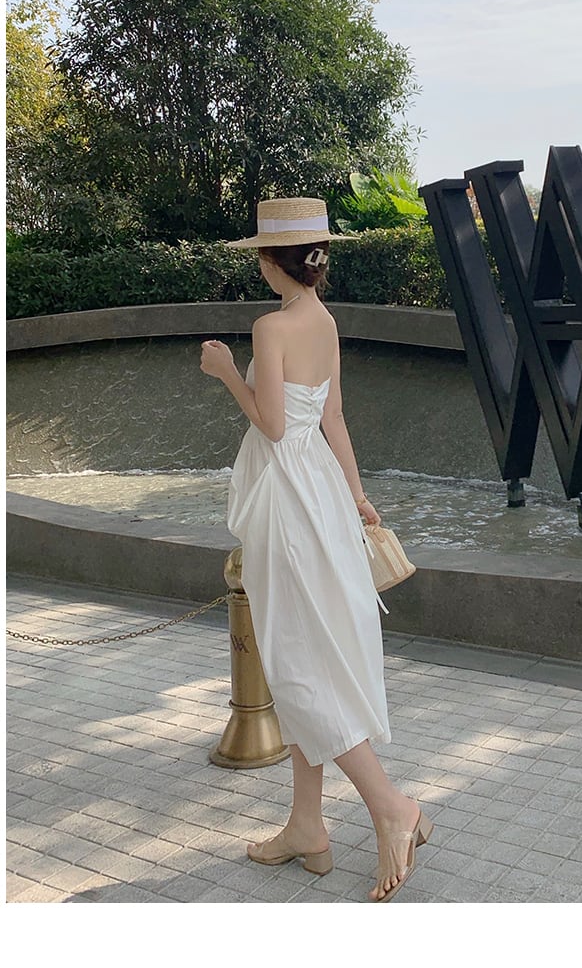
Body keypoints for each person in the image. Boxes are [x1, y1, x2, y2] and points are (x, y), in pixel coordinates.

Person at [199, 197, 433, 903]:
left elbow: (272, 425)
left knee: (300, 666)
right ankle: (307, 825)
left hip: (288, 500)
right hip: (322, 493)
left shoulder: (270, 327)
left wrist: (227, 373)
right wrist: (356, 496)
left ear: (272, 261)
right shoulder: (323, 321)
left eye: (261, 257)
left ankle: (391, 807)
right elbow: (333, 417)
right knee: (308, 652)